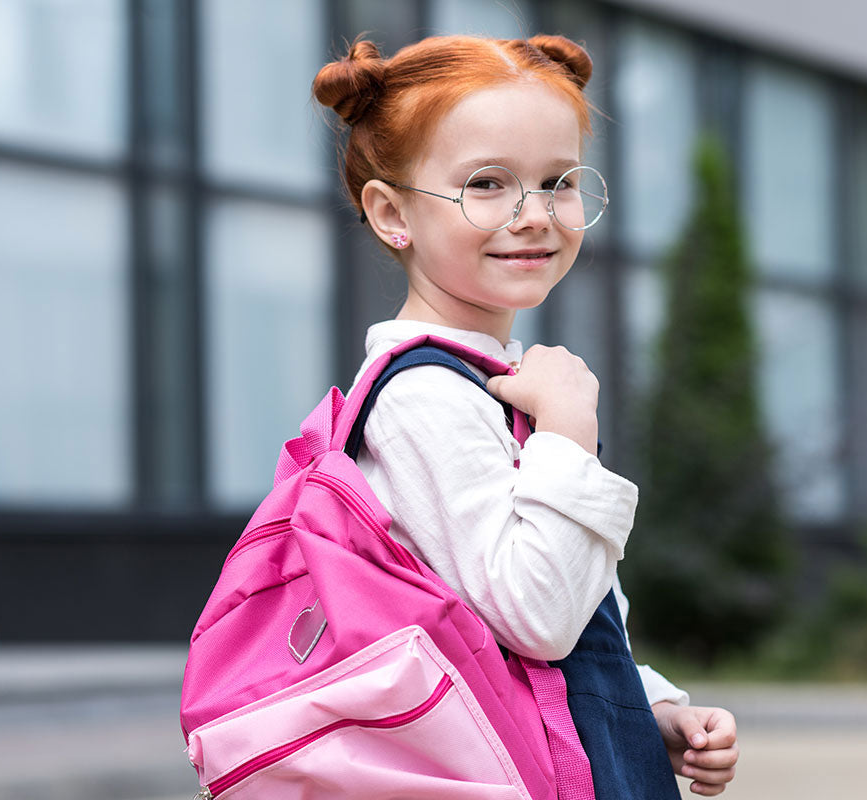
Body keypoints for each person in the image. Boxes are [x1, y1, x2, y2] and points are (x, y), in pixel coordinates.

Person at [312, 34, 740, 798]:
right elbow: (533, 618)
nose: (535, 215)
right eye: (486, 183)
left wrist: (647, 706)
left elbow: (533, 635)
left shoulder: (485, 381)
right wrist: (569, 430)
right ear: (390, 212)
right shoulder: (424, 397)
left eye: (557, 181)